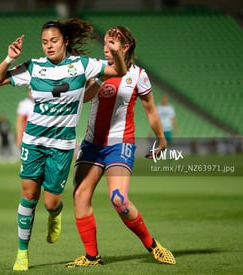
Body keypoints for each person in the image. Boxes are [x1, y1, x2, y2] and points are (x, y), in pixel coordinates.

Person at [0, 18, 127, 271]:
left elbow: (118, 72)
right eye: (44, 42)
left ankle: (54, 214)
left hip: (61, 146)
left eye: (53, 41)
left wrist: (116, 54)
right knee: (29, 195)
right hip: (34, 141)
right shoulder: (33, 67)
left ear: (65, 41)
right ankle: (22, 252)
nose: (49, 46)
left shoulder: (82, 65)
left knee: (51, 202)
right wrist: (9, 58)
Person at [66, 26, 176, 268]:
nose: (106, 48)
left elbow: (150, 109)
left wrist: (162, 139)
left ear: (125, 47)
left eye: (112, 44)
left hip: (120, 144)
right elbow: (84, 98)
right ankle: (92, 257)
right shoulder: (97, 68)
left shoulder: (138, 74)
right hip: (92, 145)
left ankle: (152, 245)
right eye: (105, 43)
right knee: (80, 196)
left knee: (118, 200)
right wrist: (100, 78)